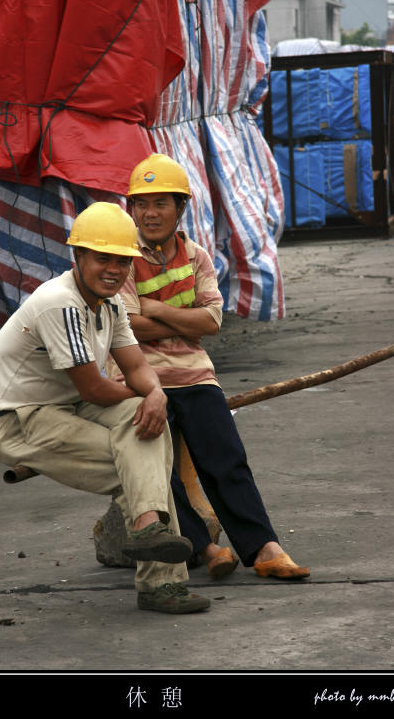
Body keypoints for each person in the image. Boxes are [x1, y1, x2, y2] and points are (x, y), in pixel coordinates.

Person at [0, 201, 211, 614]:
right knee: (144, 462)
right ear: (78, 257)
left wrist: (155, 396)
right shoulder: (61, 303)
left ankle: (147, 536)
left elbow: (136, 366)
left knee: (148, 436)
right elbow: (94, 388)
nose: (114, 270)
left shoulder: (112, 305)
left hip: (68, 407)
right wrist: (147, 401)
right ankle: (160, 581)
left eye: (122, 262)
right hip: (22, 420)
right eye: (102, 259)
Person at [106, 154, 310, 581]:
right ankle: (207, 547)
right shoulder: (121, 256)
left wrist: (154, 307)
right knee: (155, 471)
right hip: (138, 378)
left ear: (180, 208)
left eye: (160, 203)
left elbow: (212, 321)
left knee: (227, 458)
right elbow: (125, 327)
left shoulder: (197, 256)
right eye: (141, 204)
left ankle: (265, 548)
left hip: (195, 373)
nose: (149, 213)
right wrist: (181, 318)